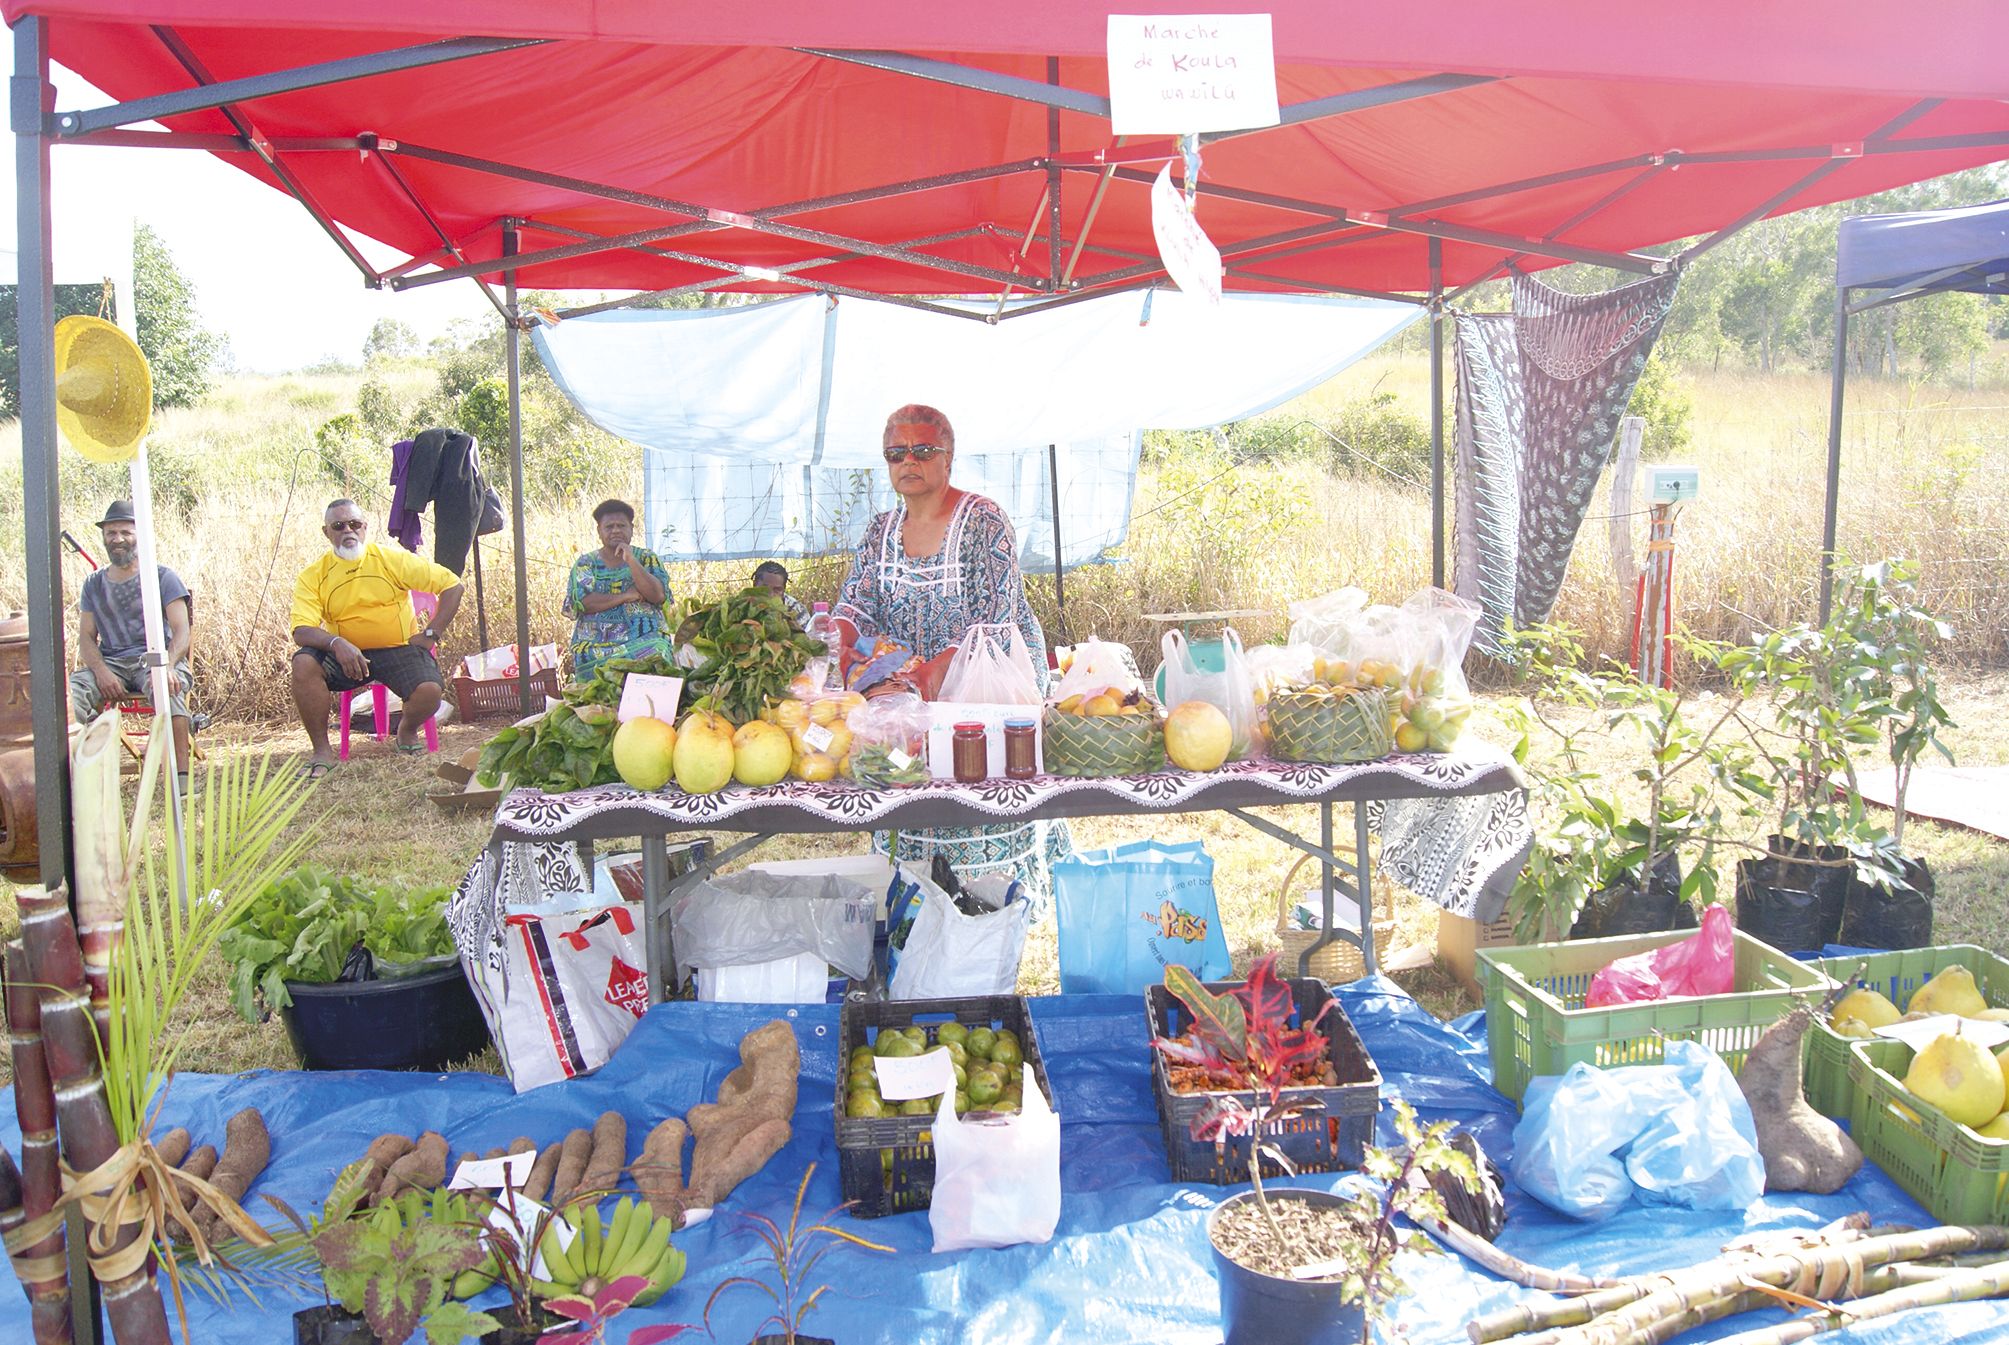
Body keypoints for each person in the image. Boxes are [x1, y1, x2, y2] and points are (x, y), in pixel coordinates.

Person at [833, 404, 1069, 902]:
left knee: (978, 813)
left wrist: (924, 679)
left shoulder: (984, 520)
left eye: (922, 450)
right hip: (907, 700)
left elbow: (994, 619)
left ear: (948, 458)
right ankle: (917, 920)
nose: (908, 462)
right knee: (907, 798)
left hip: (981, 695)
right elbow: (855, 604)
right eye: (896, 453)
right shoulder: (880, 531)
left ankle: (994, 919)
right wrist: (847, 653)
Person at [289, 499, 464, 777]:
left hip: (397, 649)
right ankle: (322, 751)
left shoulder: (390, 559)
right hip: (345, 656)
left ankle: (405, 731)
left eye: (354, 524)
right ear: (326, 532)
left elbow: (452, 584)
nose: (348, 531)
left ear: (365, 528)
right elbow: (302, 630)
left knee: (430, 691)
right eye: (339, 526)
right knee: (303, 664)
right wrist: (337, 644)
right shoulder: (314, 575)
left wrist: (432, 632)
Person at [69, 500, 195, 779]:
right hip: (111, 662)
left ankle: (181, 778)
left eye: (125, 532)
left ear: (140, 536)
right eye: (111, 533)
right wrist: (101, 672)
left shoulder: (162, 576)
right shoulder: (93, 584)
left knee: (166, 686)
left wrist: (168, 664)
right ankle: (79, 773)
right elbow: (87, 637)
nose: (118, 539)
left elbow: (181, 631)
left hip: (154, 658)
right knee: (70, 694)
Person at [565, 499, 674, 681]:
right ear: (599, 530)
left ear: (631, 528)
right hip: (596, 643)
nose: (616, 530)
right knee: (585, 655)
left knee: (656, 651)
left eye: (621, 525)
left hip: (645, 638)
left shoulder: (646, 558)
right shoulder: (586, 563)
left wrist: (631, 560)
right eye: (609, 527)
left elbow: (657, 595)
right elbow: (583, 603)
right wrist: (626, 596)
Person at [752, 560, 811, 627]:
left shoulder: (797, 610)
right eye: (764, 589)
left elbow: (804, 636)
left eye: (777, 590)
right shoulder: (742, 606)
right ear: (755, 585)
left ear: (783, 589)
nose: (771, 594)